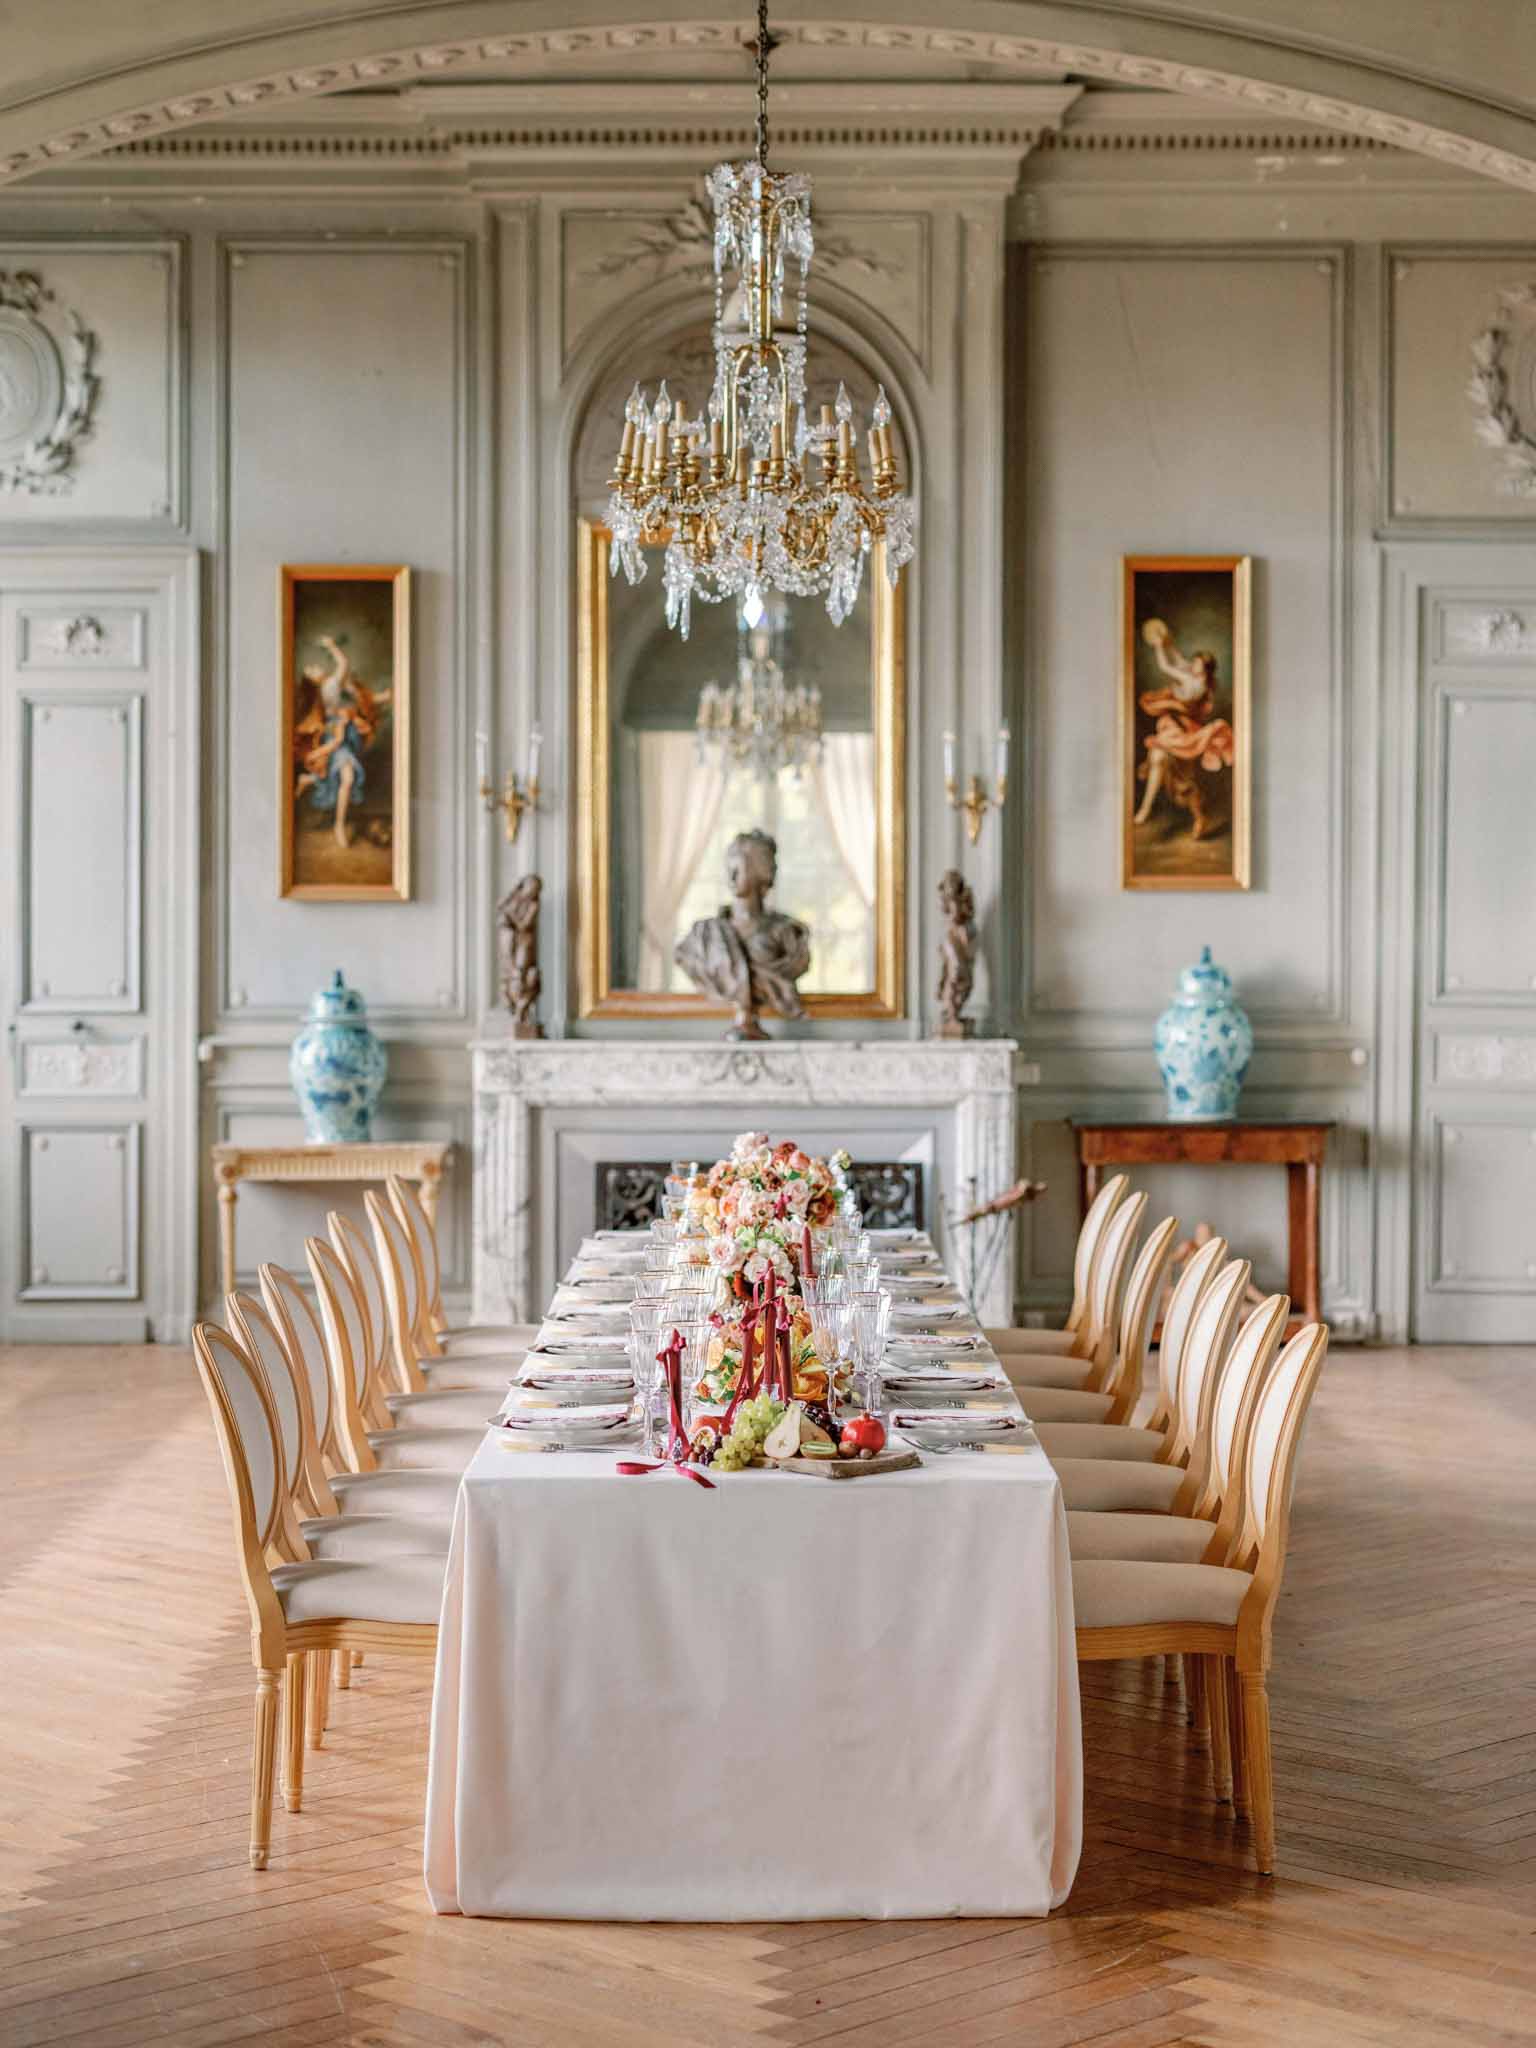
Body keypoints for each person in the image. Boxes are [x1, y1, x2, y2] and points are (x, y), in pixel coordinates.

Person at [674, 829, 811, 1040]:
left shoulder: (788, 934)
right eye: (729, 868)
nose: (732, 876)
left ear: (761, 871)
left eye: (739, 868)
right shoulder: (703, 936)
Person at [1132, 618, 1235, 841]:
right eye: (1194, 662)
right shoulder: (1194, 676)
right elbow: (1177, 658)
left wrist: (1158, 645)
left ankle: (1199, 817)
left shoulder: (1196, 684)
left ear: (1204, 670)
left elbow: (1166, 666)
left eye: (1196, 663)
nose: (1192, 665)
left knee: (1186, 782)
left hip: (1185, 732)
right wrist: (1166, 641)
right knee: (1158, 757)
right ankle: (1146, 809)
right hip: (1173, 727)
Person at [293, 634, 391, 850]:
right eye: (311, 669)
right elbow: (344, 663)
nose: (316, 667)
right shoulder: (328, 687)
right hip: (337, 737)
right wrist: (331, 646)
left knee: (336, 776)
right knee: (347, 778)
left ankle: (308, 779)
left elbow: (360, 701)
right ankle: (339, 825)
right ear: (313, 680)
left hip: (345, 735)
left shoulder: (331, 689)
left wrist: (378, 700)